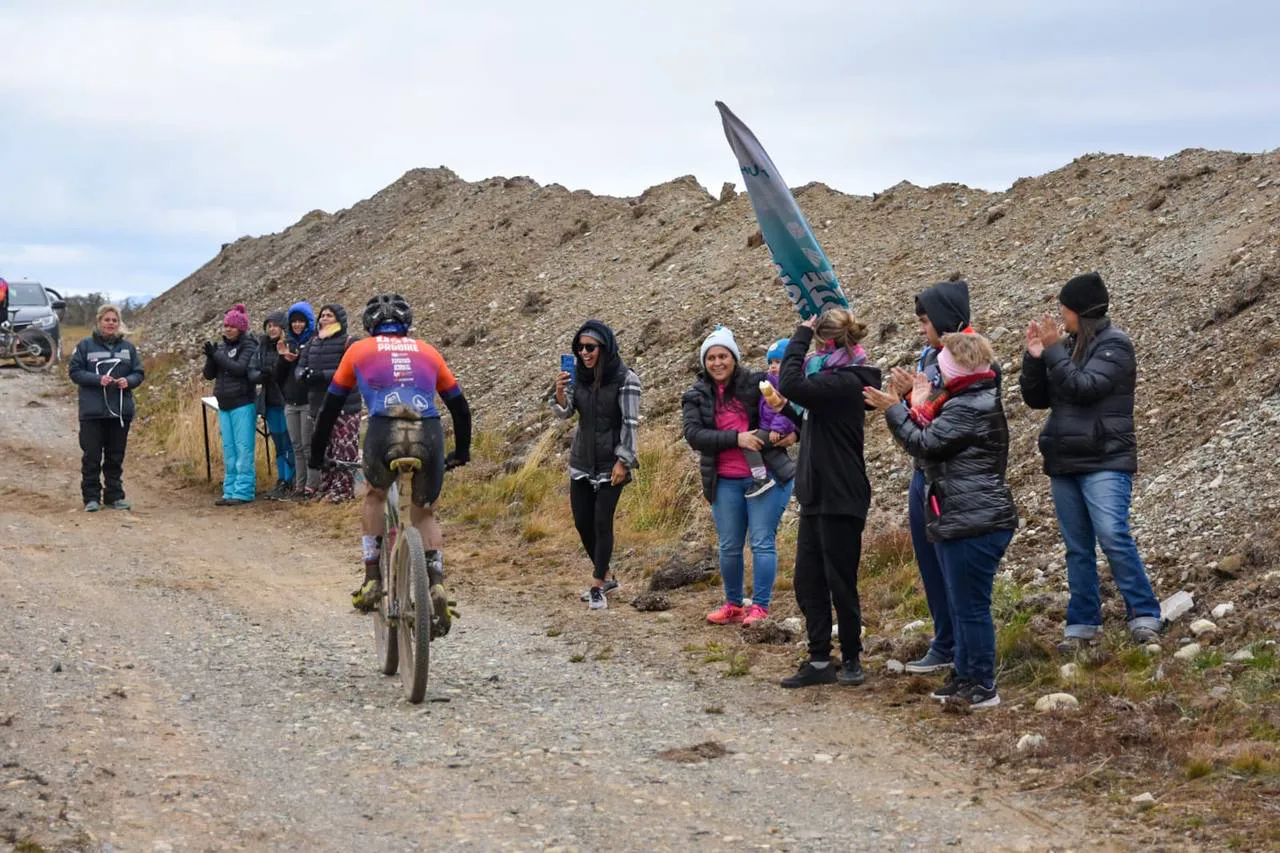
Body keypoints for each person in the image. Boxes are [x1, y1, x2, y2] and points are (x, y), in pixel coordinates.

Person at [866, 332, 1018, 709]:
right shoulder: (966, 398)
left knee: (971, 607)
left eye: (940, 368)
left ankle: (982, 684)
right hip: (963, 515)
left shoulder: (969, 406)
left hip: (974, 519)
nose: (934, 376)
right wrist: (912, 404)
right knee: (961, 601)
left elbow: (925, 445)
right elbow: (931, 436)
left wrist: (894, 409)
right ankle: (964, 674)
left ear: (951, 369)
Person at [309, 293, 471, 629]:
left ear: (371, 326)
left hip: (384, 428)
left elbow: (329, 409)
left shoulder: (358, 350)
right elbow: (459, 406)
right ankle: (436, 582)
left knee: (375, 494)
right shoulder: (427, 350)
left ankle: (371, 579)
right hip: (427, 430)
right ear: (406, 326)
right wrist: (463, 450)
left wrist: (316, 455)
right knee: (424, 511)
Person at [1020, 272, 1162, 651]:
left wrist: (1053, 353)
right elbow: (1037, 399)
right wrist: (1035, 359)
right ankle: (1083, 622)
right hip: (1066, 459)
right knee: (1077, 546)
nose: (1060, 317)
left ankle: (1145, 612)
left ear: (1081, 311)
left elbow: (1085, 389)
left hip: (1105, 459)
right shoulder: (1068, 346)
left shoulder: (1116, 346)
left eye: (1065, 310)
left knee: (1113, 536)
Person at [775, 309, 882, 688]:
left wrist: (798, 335)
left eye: (815, 343)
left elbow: (791, 381)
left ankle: (851, 657)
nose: (811, 353)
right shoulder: (831, 381)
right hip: (817, 494)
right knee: (808, 580)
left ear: (826, 343)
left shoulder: (846, 382)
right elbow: (812, 424)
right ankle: (820, 659)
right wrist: (785, 410)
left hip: (841, 495)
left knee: (840, 581)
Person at [884, 279, 978, 675]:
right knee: (929, 560)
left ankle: (965, 650)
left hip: (955, 478)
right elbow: (923, 415)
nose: (922, 329)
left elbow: (951, 417)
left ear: (942, 320)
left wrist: (909, 402)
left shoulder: (972, 356)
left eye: (925, 321)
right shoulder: (928, 356)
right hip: (923, 471)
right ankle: (944, 641)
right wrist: (908, 398)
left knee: (952, 566)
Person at [681, 326, 798, 629]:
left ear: (734, 357)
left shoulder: (758, 382)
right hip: (724, 479)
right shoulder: (694, 395)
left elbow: (789, 405)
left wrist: (792, 433)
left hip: (766, 476)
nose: (718, 363)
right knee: (730, 545)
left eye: (723, 356)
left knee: (761, 542)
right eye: (711, 358)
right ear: (704, 362)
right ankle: (733, 604)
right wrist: (737, 439)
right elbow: (694, 435)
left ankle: (759, 607)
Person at [552, 320, 641, 610]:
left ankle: (597, 585)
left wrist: (623, 461)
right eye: (579, 348)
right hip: (582, 459)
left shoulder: (626, 379)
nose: (584, 353)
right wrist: (561, 394)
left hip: (611, 461)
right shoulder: (579, 376)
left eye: (590, 347)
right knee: (582, 522)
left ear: (605, 347)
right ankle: (606, 575)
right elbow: (565, 415)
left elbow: (630, 423)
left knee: (603, 521)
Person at [67, 305, 145, 512]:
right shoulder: (85, 346)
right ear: (99, 321)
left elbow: (139, 373)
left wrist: (128, 381)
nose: (111, 323)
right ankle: (91, 498)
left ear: (119, 324)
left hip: (119, 411)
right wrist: (96, 379)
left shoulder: (128, 348)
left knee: (115, 456)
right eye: (107, 320)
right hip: (92, 412)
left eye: (114, 320)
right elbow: (74, 372)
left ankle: (114, 496)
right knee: (91, 456)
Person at [300, 303, 361, 502]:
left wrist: (323, 375)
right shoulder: (313, 342)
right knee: (325, 449)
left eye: (329, 316)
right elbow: (300, 366)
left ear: (339, 320)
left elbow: (352, 371)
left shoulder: (350, 342)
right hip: (319, 405)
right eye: (323, 315)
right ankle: (326, 487)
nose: (324, 319)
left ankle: (343, 491)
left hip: (344, 406)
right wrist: (305, 375)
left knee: (344, 450)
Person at [202, 303, 261, 506]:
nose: (227, 329)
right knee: (229, 448)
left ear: (241, 328)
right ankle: (230, 489)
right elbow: (209, 374)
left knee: (244, 448)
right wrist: (211, 356)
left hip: (243, 402)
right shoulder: (221, 347)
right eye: (226, 325)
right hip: (224, 404)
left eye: (232, 326)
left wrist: (216, 355)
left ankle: (244, 490)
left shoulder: (249, 345)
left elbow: (239, 368)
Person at [738, 337, 801, 499]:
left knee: (750, 443)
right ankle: (792, 475)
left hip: (776, 428)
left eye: (778, 362)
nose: (773, 366)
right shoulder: (769, 379)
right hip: (767, 426)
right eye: (771, 362)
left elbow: (787, 408)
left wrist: (777, 428)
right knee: (769, 452)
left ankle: (760, 478)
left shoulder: (787, 383)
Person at [277, 302, 315, 496]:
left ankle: (312, 486)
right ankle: (300, 486)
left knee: (308, 446)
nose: (297, 325)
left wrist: (298, 359)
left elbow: (311, 369)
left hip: (308, 401)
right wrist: (283, 359)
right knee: (297, 446)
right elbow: (278, 375)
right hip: (291, 402)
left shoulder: (315, 342)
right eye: (294, 321)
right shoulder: (287, 343)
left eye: (301, 321)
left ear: (308, 322)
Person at [256, 310, 295, 498]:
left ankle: (292, 480)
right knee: (278, 442)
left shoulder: (289, 345)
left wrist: (270, 371)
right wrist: (261, 374)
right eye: (269, 326)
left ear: (283, 327)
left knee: (289, 442)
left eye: (275, 325)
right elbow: (253, 370)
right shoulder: (262, 345)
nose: (272, 329)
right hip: (270, 401)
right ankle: (282, 480)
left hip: (285, 400)